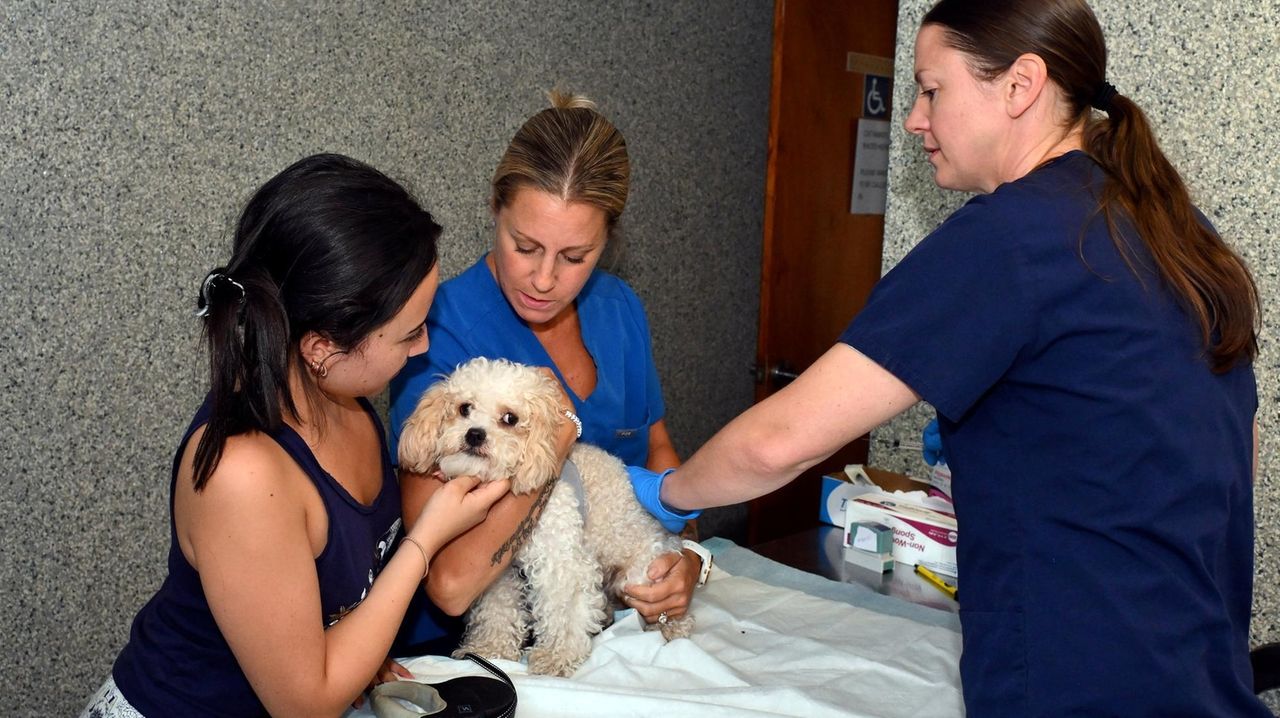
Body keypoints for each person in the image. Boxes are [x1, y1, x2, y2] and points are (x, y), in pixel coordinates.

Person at [631, 1, 1267, 714]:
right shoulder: (1175, 232)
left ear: (1020, 85)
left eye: (932, 90)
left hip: (1078, 681)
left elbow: (778, 443)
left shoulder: (1009, 237)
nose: (912, 119)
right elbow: (1236, 453)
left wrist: (665, 495)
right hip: (1197, 674)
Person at [81, 154, 515, 717]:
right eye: (410, 333)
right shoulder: (242, 474)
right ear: (321, 349)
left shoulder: (344, 401)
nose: (424, 347)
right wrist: (424, 541)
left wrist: (359, 647)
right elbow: (304, 705)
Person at [386, 91, 707, 658]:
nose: (543, 279)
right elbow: (450, 582)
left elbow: (657, 451)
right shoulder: (434, 329)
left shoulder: (619, 308)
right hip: (468, 652)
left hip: (610, 628)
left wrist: (685, 557)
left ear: (608, 241)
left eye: (575, 256)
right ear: (494, 209)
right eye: (525, 246)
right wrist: (556, 442)